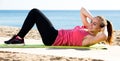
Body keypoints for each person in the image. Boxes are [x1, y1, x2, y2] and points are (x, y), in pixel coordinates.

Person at [4, 7, 113, 46]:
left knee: (35, 12)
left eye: (94, 24)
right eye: (92, 22)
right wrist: (93, 19)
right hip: (54, 34)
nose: (91, 24)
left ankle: (19, 38)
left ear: (100, 28)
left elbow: (103, 36)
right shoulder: (88, 28)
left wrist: (104, 27)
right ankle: (19, 38)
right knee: (34, 13)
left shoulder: (90, 38)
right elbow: (82, 9)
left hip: (53, 38)